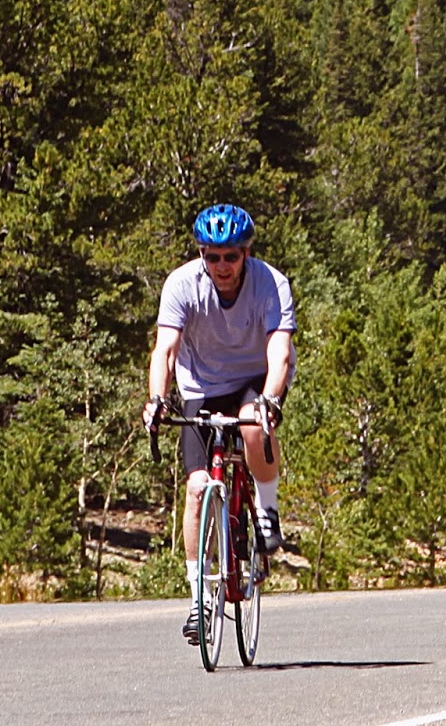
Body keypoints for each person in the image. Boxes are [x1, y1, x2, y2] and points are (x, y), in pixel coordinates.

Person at [143, 203, 295, 642]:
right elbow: (165, 349)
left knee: (251, 424)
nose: (222, 266)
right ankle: (199, 598)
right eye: (213, 257)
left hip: (255, 378)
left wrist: (269, 398)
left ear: (246, 253)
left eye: (231, 256)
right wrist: (157, 399)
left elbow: (280, 352)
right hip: (201, 385)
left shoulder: (271, 283)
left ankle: (266, 509)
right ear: (201, 254)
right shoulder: (181, 284)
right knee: (196, 488)